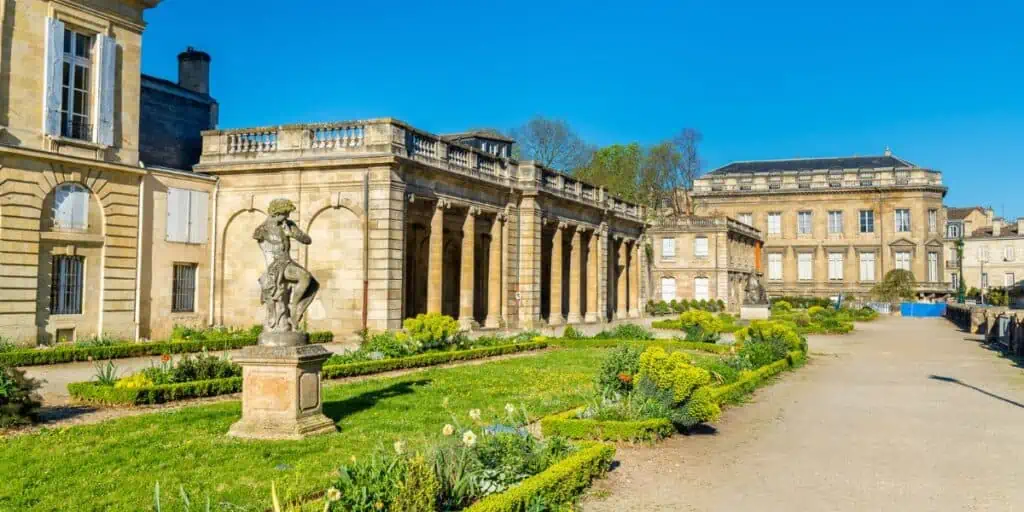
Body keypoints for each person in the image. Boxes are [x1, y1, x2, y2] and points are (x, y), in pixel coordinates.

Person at [253, 199, 319, 331]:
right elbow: (265, 248)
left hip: (288, 262)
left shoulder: (288, 225)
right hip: (275, 264)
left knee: (311, 282)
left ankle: (294, 308)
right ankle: (290, 312)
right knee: (304, 277)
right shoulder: (262, 230)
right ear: (276, 213)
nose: (288, 216)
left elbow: (307, 240)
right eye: (285, 213)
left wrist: (291, 234)